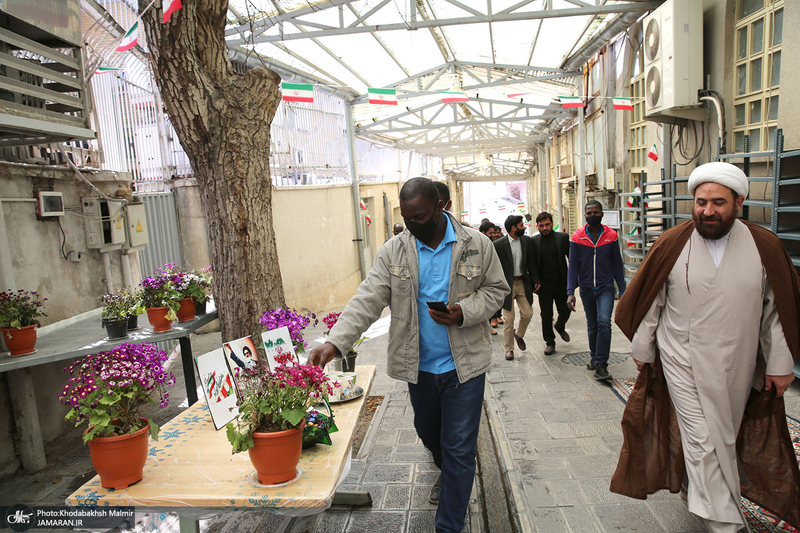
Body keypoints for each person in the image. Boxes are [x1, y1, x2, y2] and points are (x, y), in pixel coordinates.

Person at [308, 177, 508, 533]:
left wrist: (463, 311)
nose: (411, 224)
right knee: (430, 434)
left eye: (419, 217)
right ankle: (447, 473)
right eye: (407, 217)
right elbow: (367, 299)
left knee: (460, 448)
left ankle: (449, 524)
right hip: (419, 367)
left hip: (465, 367)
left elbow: (496, 291)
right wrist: (334, 343)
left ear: (440, 207)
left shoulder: (476, 244)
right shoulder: (394, 251)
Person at [611, 162, 800, 532]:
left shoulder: (764, 245)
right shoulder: (673, 243)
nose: (707, 211)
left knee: (723, 437)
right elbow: (652, 303)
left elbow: (776, 313)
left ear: (739, 202)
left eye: (718, 202)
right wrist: (644, 350)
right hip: (682, 358)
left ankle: (693, 486)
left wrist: (780, 364)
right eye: (700, 202)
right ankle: (726, 524)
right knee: (704, 440)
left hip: (738, 362)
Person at [566, 200, 625, 380]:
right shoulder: (577, 237)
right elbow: (573, 266)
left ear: (602, 214)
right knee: (592, 326)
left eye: (596, 212)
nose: (592, 216)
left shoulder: (611, 236)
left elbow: (616, 263)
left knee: (603, 322)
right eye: (589, 213)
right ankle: (594, 357)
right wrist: (570, 292)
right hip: (586, 288)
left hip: (606, 287)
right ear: (585, 215)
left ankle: (601, 364)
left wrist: (622, 289)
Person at [494, 215, 538, 360]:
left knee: (528, 313)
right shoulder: (499, 244)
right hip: (507, 286)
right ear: (513, 228)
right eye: (521, 225)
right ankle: (509, 349)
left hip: (522, 283)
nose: (524, 227)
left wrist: (535, 279)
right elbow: (496, 267)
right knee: (508, 318)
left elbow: (532, 262)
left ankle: (518, 335)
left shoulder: (526, 241)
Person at [531, 212, 571, 355]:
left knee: (565, 310)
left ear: (552, 223)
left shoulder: (563, 238)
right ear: (537, 226)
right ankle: (550, 342)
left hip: (561, 283)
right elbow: (533, 264)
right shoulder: (534, 241)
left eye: (547, 224)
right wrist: (535, 281)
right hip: (544, 286)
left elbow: (572, 260)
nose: (544, 228)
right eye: (541, 226)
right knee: (546, 315)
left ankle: (560, 326)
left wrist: (573, 281)